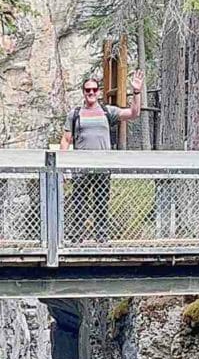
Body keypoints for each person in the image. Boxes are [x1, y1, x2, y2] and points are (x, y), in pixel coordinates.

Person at [60, 71, 144, 242]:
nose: (91, 93)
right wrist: (63, 166)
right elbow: (66, 140)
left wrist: (136, 92)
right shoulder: (75, 114)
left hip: (102, 167)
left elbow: (134, 113)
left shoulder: (107, 112)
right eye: (87, 90)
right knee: (79, 204)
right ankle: (77, 237)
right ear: (83, 92)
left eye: (94, 90)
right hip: (80, 168)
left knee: (101, 203)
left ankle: (101, 237)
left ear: (98, 92)